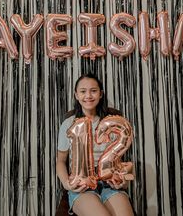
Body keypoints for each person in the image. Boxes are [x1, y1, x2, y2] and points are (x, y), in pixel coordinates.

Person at [57, 73, 134, 216]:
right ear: (76, 95)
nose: (88, 95)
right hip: (83, 183)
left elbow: (116, 158)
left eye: (93, 91)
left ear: (100, 94)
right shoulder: (69, 124)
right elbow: (61, 161)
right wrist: (67, 184)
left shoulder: (112, 123)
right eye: (83, 91)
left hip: (109, 183)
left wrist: (122, 181)